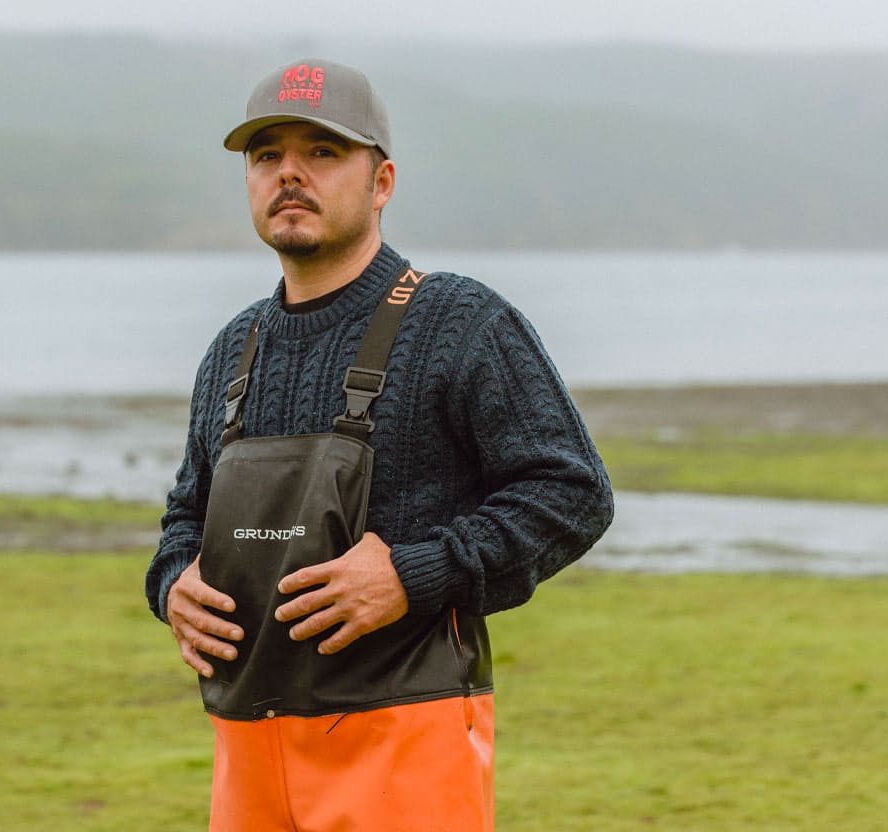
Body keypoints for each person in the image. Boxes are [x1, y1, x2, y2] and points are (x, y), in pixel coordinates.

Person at [145, 58, 614, 832]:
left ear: (382, 180)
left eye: (322, 152)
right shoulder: (234, 348)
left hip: (405, 742)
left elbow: (572, 493)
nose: (289, 173)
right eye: (267, 156)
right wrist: (171, 586)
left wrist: (413, 573)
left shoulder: (459, 322)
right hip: (246, 754)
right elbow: (184, 517)